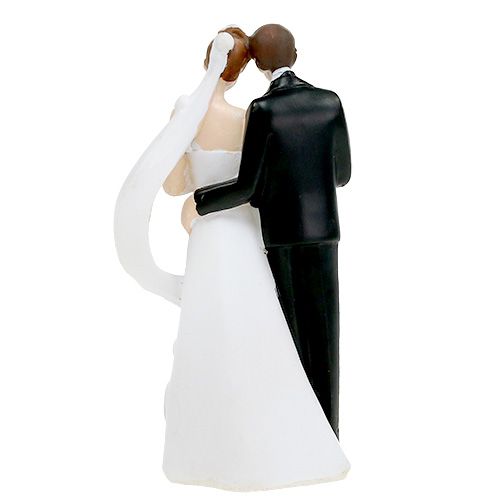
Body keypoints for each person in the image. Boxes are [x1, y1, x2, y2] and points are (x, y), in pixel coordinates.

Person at [162, 27, 350, 490]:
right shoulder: (327, 101)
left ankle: (293, 431)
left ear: (258, 66)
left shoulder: (260, 110)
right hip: (321, 231)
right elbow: (341, 174)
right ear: (294, 54)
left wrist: (200, 204)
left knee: (285, 331)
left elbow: (248, 185)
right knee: (320, 331)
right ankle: (326, 433)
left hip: (275, 234)